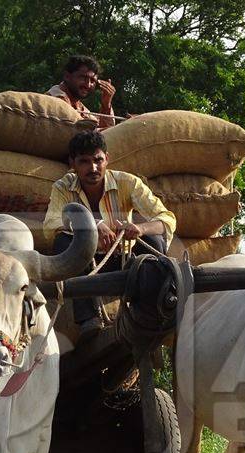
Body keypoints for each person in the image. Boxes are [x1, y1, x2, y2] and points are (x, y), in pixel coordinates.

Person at [44, 130, 177, 341]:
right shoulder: (62, 187)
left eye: (98, 160)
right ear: (73, 164)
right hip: (85, 265)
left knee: (153, 241)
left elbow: (166, 218)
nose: (93, 168)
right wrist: (92, 226)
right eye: (84, 162)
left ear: (107, 158)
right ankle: (89, 319)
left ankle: (150, 309)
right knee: (62, 241)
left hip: (126, 261)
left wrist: (140, 229)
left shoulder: (128, 182)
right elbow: (50, 225)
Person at [47, 55, 117, 129]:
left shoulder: (80, 107)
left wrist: (106, 104)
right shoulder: (54, 100)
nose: (88, 85)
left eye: (92, 81)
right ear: (67, 76)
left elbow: (105, 134)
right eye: (83, 78)